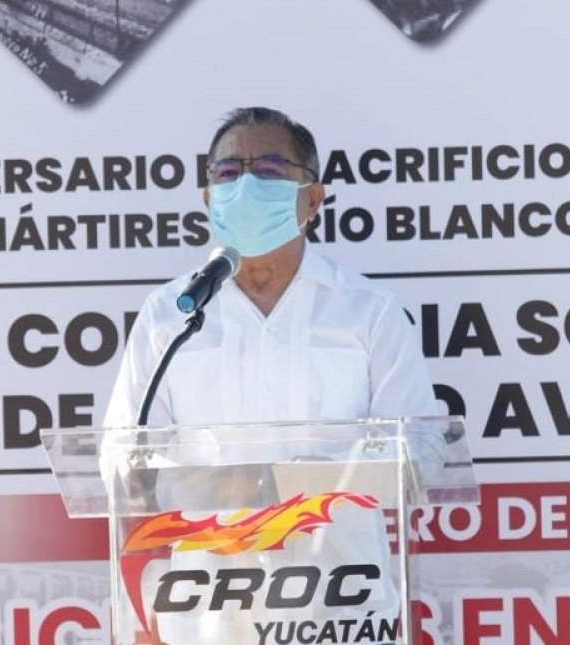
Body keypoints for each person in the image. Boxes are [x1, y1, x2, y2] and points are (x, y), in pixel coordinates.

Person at [102, 107, 444, 644]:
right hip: (206, 607)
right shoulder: (170, 315)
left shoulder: (368, 311)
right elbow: (122, 460)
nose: (245, 185)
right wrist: (230, 486)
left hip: (338, 603)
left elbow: (422, 453)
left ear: (314, 198)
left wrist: (295, 483)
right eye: (227, 172)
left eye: (268, 169)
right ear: (207, 198)